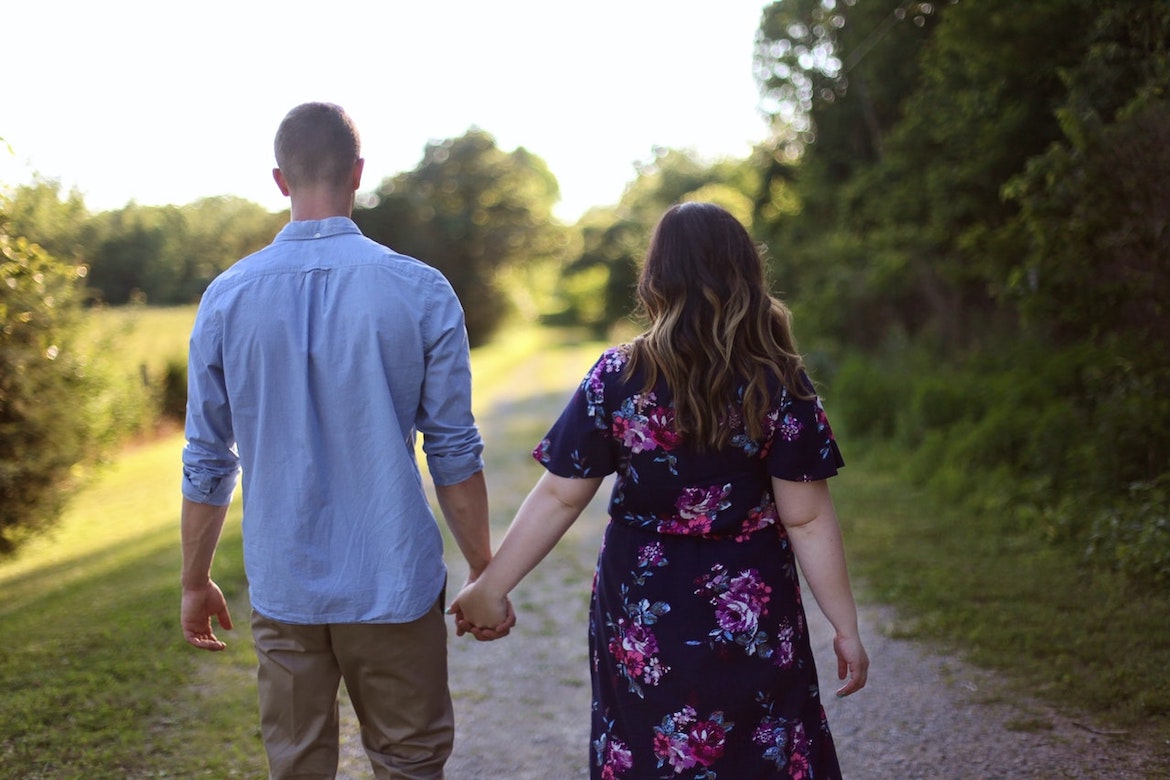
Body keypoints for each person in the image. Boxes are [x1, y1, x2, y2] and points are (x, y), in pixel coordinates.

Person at [451, 202, 868, 778]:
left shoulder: (618, 375)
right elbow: (807, 519)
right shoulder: (777, 379)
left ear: (655, 279)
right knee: (762, 746)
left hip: (644, 608)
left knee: (652, 750)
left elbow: (559, 496)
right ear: (746, 274)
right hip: (750, 605)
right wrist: (845, 627)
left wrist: (490, 587)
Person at [179, 101, 513, 780]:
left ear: (279, 179)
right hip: (392, 580)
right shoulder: (420, 290)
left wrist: (194, 580)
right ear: (359, 172)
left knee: (296, 768)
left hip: (284, 585)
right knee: (410, 762)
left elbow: (209, 460)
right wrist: (485, 568)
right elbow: (453, 448)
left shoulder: (225, 298)